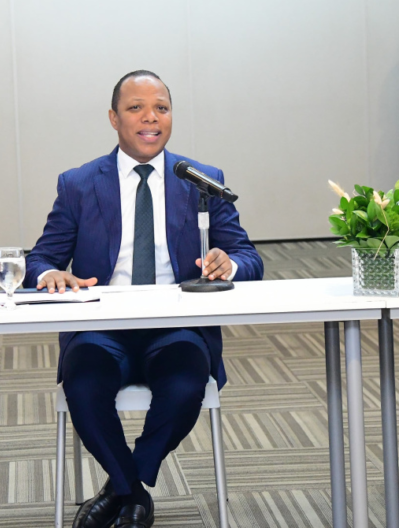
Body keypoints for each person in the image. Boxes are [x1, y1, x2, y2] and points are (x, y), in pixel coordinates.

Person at [25, 70, 263, 528]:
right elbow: (40, 260)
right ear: (114, 118)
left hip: (175, 328)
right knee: (83, 385)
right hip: (101, 329)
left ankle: (121, 487)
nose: (151, 118)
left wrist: (228, 265)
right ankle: (132, 494)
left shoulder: (201, 180)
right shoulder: (78, 184)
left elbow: (249, 257)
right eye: (136, 108)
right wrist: (51, 274)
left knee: (186, 385)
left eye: (161, 108)